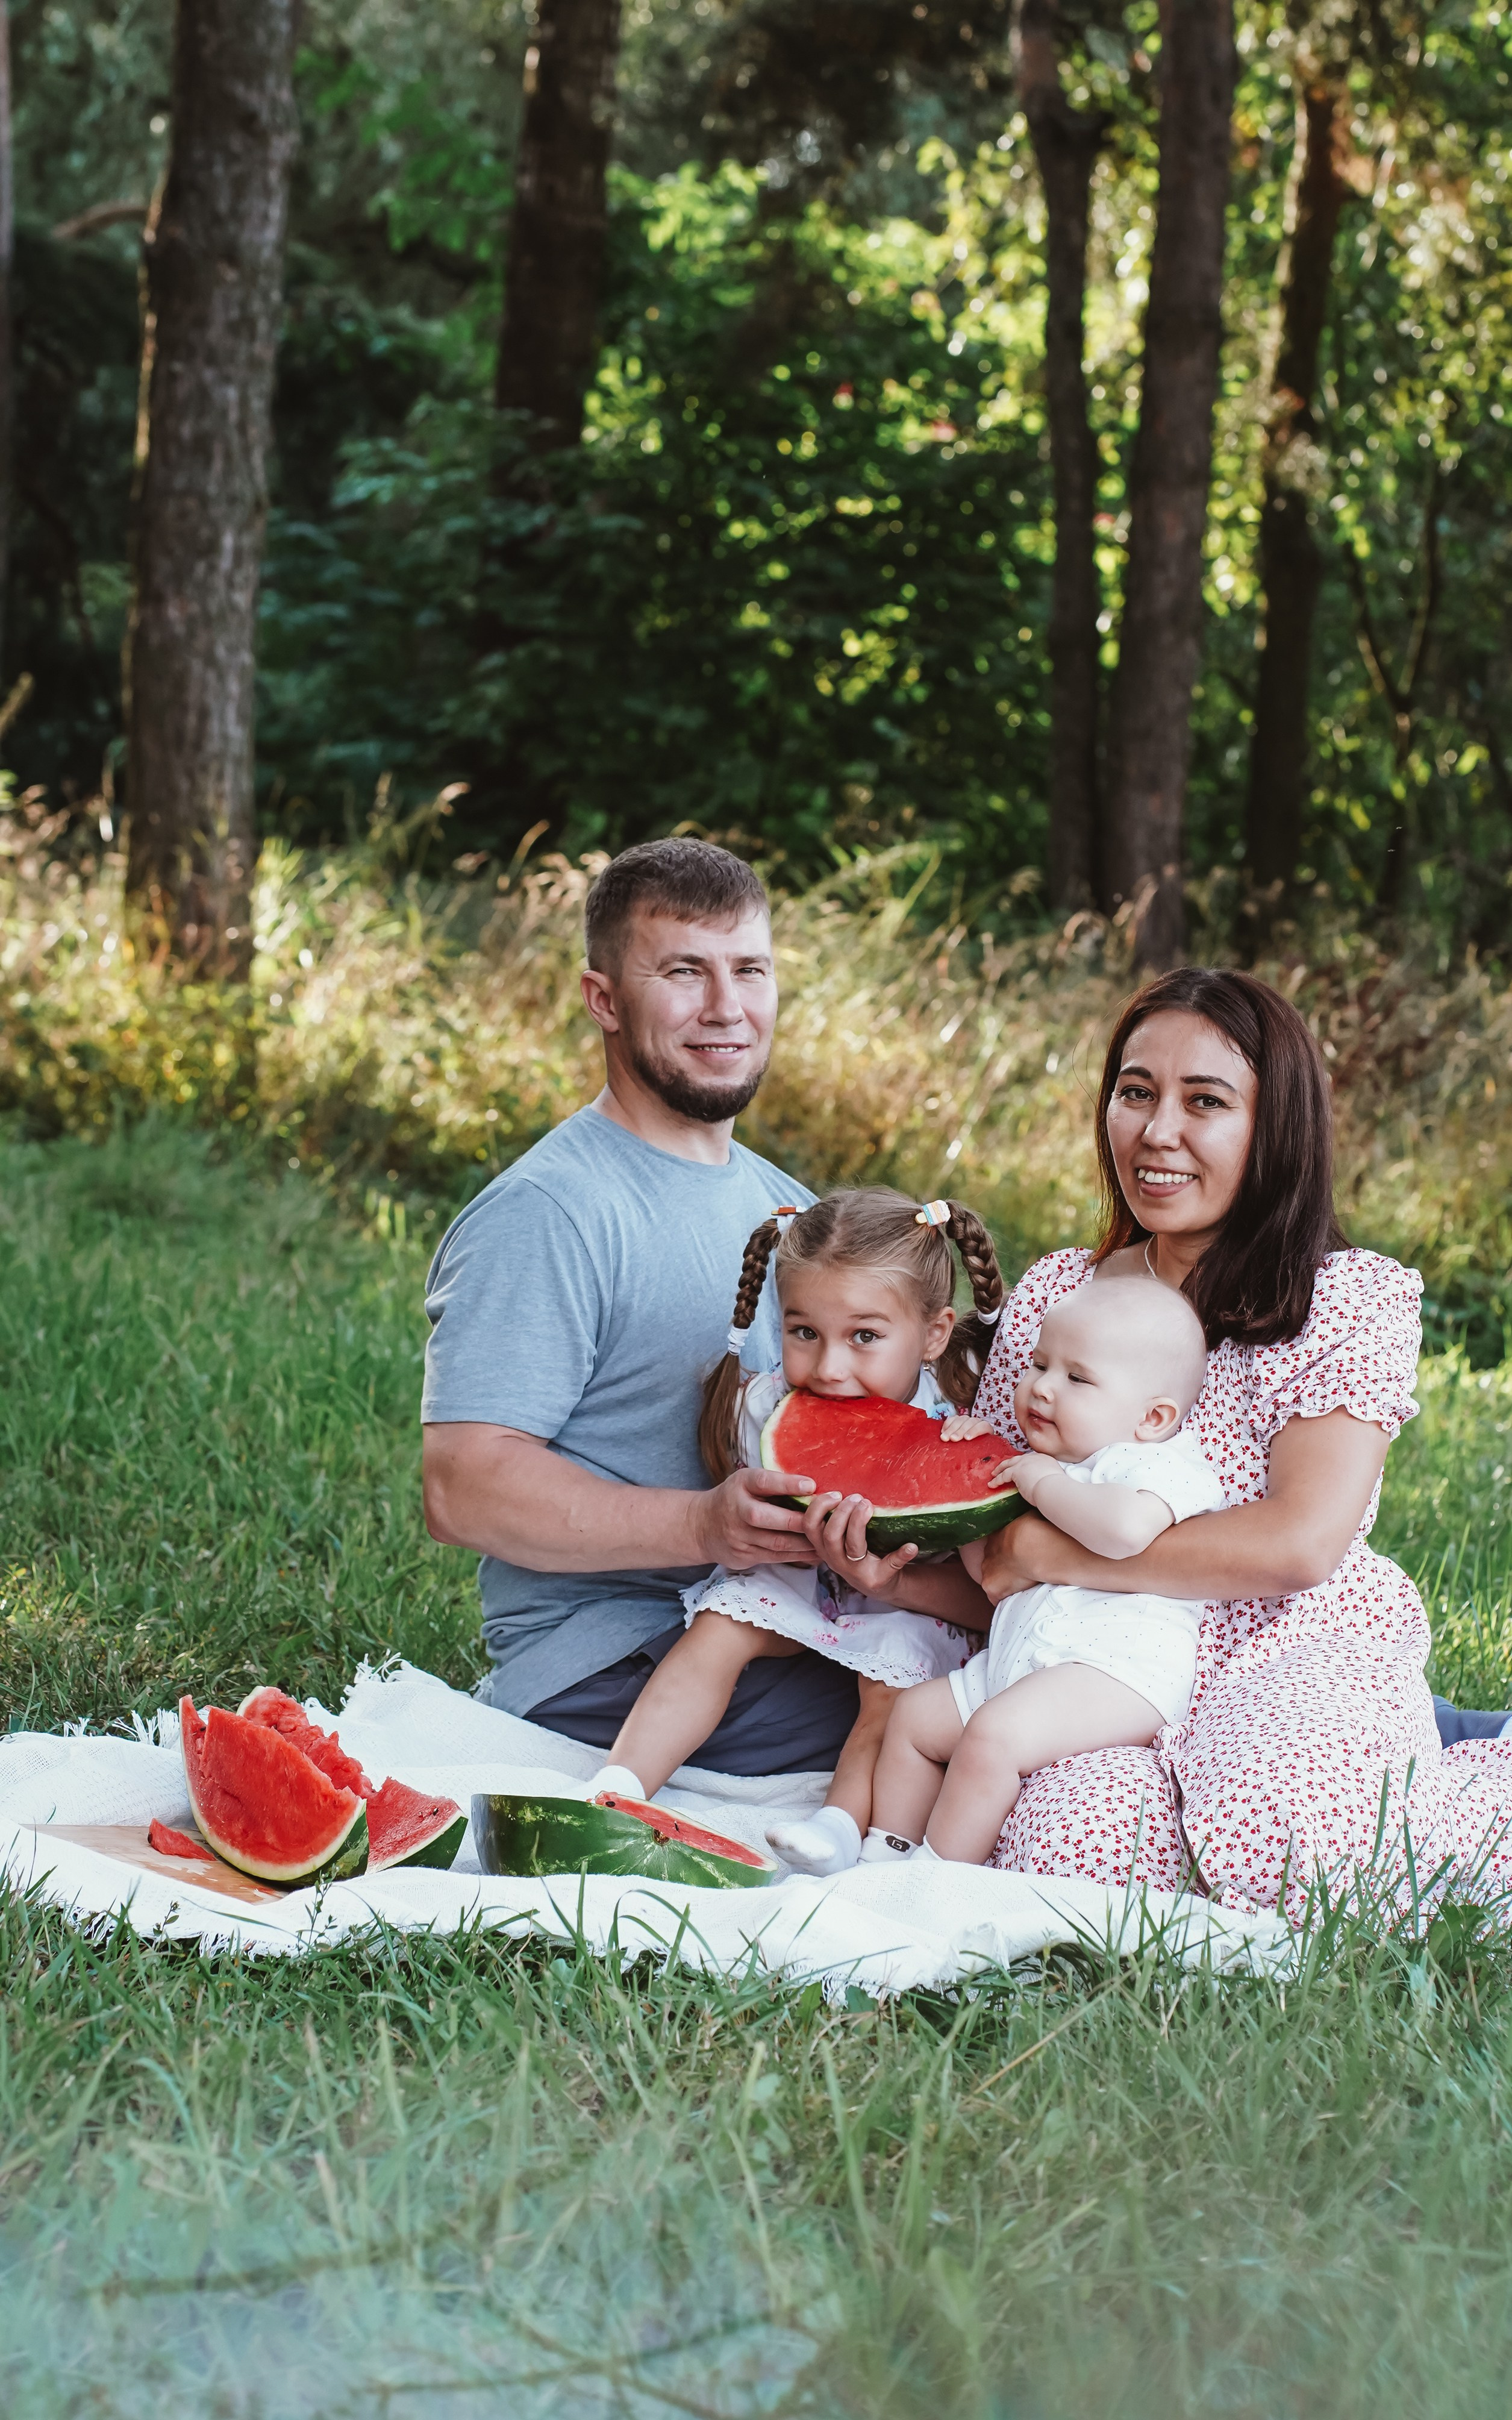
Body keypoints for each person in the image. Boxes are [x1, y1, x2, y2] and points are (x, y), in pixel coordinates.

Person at [967, 965, 1512, 1923]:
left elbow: (1296, 1544)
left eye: (1204, 1101)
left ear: (1274, 1127)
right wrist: (890, 1565)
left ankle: (1477, 1774)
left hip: (1292, 1640)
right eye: (1134, 1092)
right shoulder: (1058, 1297)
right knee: (1062, 1862)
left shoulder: (1343, 1297)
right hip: (1105, 1663)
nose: (1155, 1131)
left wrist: (1053, 1551)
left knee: (1290, 1840)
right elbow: (987, 1542)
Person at [422, 837, 855, 1774]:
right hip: (612, 1665)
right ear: (604, 999)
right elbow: (461, 1487)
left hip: (769, 1622)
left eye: (749, 970)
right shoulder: (550, 1211)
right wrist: (706, 1526)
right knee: (954, 1737)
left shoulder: (791, 1207)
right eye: (684, 974)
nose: (726, 1008)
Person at [584, 1189, 1003, 1873]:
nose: (830, 1368)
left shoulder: (956, 1425)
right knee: (717, 1628)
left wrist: (952, 1472)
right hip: (797, 1575)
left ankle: (839, 1825)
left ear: (932, 1334)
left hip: (904, 1597)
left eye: (864, 1336)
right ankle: (618, 1784)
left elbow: (983, 1588)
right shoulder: (768, 1405)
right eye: (804, 1332)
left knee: (889, 1690)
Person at [854, 1276, 1223, 1867]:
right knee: (915, 1716)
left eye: (1076, 1378)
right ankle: (882, 1853)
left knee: (992, 1738)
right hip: (1017, 1666)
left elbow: (1124, 1530)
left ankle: (932, 1880)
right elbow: (988, 1575)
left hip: (1115, 1672)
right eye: (1037, 1364)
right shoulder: (1036, 1464)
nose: (1042, 1388)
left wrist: (1042, 1482)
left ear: (1152, 1417)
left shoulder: (1156, 1462)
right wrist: (973, 1478)